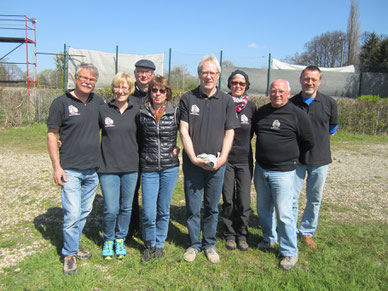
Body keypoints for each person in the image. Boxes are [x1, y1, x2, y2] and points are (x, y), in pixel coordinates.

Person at [179, 55, 240, 264]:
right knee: (193, 207)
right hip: (193, 164)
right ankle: (194, 244)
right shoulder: (188, 98)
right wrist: (193, 159)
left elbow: (229, 132)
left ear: (218, 76)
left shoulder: (226, 100)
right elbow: (184, 131)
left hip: (217, 165)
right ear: (199, 74)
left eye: (212, 73)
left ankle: (210, 244)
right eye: (205, 72)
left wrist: (222, 158)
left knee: (212, 206)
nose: (208, 76)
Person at [47, 63, 104, 275]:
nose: (87, 82)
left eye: (92, 79)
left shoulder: (98, 102)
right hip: (70, 168)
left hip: (92, 169)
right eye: (84, 78)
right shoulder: (61, 103)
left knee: (84, 211)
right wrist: (56, 167)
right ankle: (69, 254)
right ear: (76, 77)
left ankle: (74, 244)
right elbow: (52, 134)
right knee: (72, 213)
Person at [253, 79, 314, 270]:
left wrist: (289, 157)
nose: (277, 94)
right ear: (269, 92)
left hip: (284, 173)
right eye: (273, 91)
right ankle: (269, 239)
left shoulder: (297, 114)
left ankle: (289, 251)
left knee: (285, 214)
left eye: (281, 91)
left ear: (288, 93)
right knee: (263, 209)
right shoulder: (261, 112)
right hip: (261, 168)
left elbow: (308, 141)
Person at [290, 66, 338, 249]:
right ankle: (291, 230)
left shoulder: (329, 103)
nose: (309, 82)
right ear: (301, 79)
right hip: (296, 159)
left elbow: (332, 129)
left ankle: (307, 231)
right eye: (306, 78)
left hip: (320, 160)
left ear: (320, 81)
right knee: (292, 198)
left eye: (313, 79)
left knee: (314, 198)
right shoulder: (291, 102)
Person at [137, 75, 180, 262]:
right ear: (150, 92)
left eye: (162, 90)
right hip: (149, 167)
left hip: (169, 167)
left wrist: (180, 149)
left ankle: (160, 244)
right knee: (148, 211)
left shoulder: (175, 112)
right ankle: (149, 243)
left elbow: (189, 133)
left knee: (163, 209)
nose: (158, 93)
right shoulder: (141, 112)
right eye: (154, 90)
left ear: (167, 93)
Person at [98, 72, 140, 260]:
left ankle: (120, 238)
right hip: (108, 168)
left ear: (130, 89)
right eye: (117, 86)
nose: (120, 90)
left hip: (131, 167)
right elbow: (87, 131)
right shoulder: (103, 110)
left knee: (126, 207)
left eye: (124, 87)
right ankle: (108, 239)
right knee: (110, 208)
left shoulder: (137, 109)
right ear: (112, 88)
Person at [221, 70, 256, 251]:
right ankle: (229, 234)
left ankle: (242, 234)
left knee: (243, 201)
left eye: (241, 84)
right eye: (234, 83)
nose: (237, 86)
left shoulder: (251, 108)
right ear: (229, 84)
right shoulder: (222, 104)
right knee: (228, 199)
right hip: (226, 160)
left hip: (244, 161)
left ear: (246, 86)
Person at [127, 59, 156, 238]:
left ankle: (152, 228)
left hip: (151, 151)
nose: (143, 75)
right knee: (131, 191)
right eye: (140, 71)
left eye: (147, 72)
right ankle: (132, 226)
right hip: (130, 150)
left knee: (152, 193)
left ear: (152, 74)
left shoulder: (157, 94)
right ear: (135, 73)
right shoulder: (126, 94)